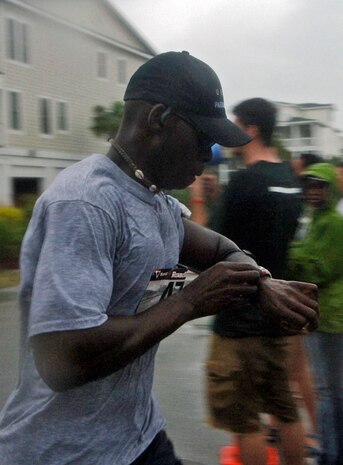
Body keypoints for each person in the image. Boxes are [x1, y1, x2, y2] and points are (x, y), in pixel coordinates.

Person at [0, 52, 319, 465]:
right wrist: (189, 301)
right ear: (158, 119)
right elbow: (62, 360)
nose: (210, 152)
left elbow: (223, 250)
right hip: (66, 451)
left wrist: (263, 284)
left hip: (138, 437)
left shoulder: (158, 205)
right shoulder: (86, 202)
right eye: (203, 136)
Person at [206, 98, 307, 465]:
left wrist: (205, 202)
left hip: (240, 321)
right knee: (285, 410)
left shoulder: (244, 182)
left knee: (246, 421)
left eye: (234, 127)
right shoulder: (289, 181)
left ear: (251, 129)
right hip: (280, 316)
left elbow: (211, 246)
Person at [289, 162, 343, 465]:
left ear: (329, 189)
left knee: (329, 391)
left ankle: (330, 454)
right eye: (309, 188)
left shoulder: (334, 222)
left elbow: (321, 268)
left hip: (333, 318)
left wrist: (298, 254)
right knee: (327, 389)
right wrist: (301, 256)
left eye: (318, 187)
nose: (313, 193)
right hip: (320, 313)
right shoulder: (313, 219)